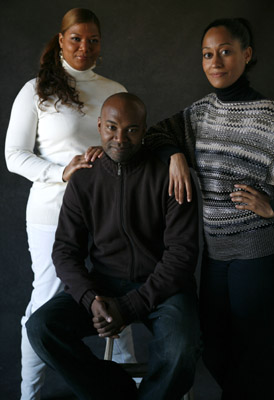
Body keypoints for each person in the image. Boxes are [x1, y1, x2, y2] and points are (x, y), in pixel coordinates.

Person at [26, 92, 201, 400]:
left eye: (132, 129)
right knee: (42, 328)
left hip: (163, 287)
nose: (120, 138)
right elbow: (65, 250)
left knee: (182, 348)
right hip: (104, 283)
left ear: (145, 130)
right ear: (99, 126)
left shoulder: (171, 177)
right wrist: (90, 297)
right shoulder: (84, 179)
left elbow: (182, 255)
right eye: (111, 127)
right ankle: (115, 394)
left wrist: (130, 305)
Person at [5, 8, 136, 400]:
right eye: (76, 38)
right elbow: (14, 155)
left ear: (101, 44)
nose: (84, 46)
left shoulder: (114, 89)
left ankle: (133, 388)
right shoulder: (35, 90)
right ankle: (30, 394)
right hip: (52, 214)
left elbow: (131, 146)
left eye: (93, 39)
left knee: (118, 301)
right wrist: (62, 171)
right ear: (61, 40)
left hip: (107, 213)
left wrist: (112, 155)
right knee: (44, 305)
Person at [145, 18, 274, 399]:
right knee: (215, 349)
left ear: (246, 55)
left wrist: (272, 207)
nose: (215, 61)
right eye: (207, 54)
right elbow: (155, 135)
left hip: (257, 253)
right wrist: (175, 157)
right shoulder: (200, 113)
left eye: (225, 51)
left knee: (254, 354)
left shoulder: (268, 116)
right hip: (214, 254)